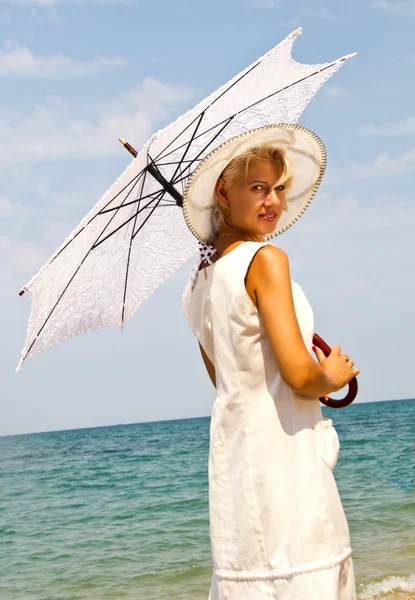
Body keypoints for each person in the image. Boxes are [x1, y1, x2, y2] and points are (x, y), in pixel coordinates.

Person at [181, 124, 360, 599]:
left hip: (238, 460)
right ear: (223, 191)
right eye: (258, 187)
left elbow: (229, 380)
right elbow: (300, 376)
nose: (273, 201)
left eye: (279, 188)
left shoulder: (196, 287)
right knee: (306, 573)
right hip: (284, 456)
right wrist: (332, 374)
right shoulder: (267, 260)